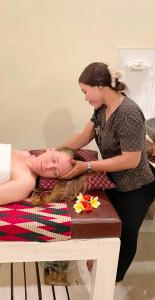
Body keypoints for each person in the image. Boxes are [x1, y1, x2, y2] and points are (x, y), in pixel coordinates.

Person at [60, 62, 155, 282]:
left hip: (137, 186)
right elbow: (85, 136)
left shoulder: (129, 113)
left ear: (100, 86)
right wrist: (58, 151)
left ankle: (111, 280)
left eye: (85, 91)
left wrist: (88, 166)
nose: (84, 97)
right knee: (106, 227)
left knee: (125, 234)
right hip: (115, 180)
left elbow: (131, 160)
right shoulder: (101, 108)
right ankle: (100, 267)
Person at [0, 143, 89, 213]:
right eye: (53, 159)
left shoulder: (25, 182)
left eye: (55, 172)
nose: (48, 166)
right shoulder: (23, 153)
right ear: (50, 149)